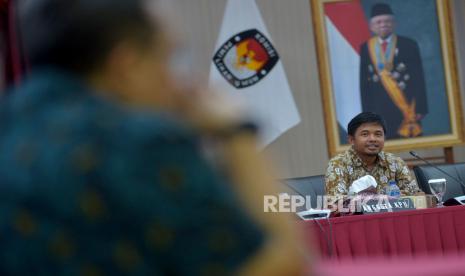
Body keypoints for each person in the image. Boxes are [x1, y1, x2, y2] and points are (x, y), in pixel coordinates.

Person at [0, 0, 305, 274]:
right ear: (126, 64)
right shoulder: (141, 144)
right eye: (168, 59)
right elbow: (284, 264)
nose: (177, 82)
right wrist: (238, 132)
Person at [359, 3, 428, 139]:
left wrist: (421, 107)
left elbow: (419, 77)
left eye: (387, 21)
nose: (383, 25)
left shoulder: (409, 44)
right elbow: (363, 83)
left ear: (394, 23)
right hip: (378, 107)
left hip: (406, 106)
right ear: (372, 27)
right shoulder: (366, 48)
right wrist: (366, 114)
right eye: (378, 22)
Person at [325, 112, 421, 197]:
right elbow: (336, 201)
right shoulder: (339, 164)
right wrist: (384, 198)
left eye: (378, 134)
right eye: (365, 134)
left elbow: (416, 194)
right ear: (351, 140)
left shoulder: (394, 162)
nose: (372, 139)